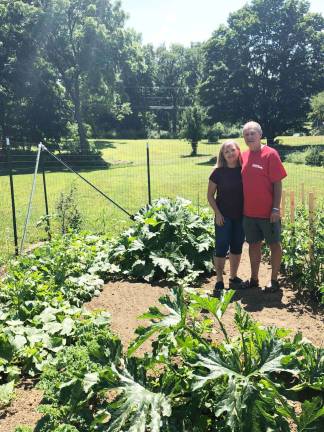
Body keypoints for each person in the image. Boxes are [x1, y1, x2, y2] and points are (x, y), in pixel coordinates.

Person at [241, 121, 287, 292]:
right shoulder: (243, 156)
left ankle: (274, 281)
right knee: (253, 245)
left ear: (260, 135)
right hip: (249, 213)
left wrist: (275, 208)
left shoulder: (270, 154)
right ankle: (253, 279)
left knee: (274, 245)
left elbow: (277, 183)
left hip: (269, 214)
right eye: (246, 134)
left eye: (252, 133)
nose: (249, 137)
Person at [207, 140, 245, 295]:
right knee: (221, 248)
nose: (230, 153)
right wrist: (217, 213)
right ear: (222, 155)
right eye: (226, 151)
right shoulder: (217, 172)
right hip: (223, 217)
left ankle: (233, 277)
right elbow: (210, 196)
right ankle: (219, 281)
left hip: (241, 216)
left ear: (238, 151)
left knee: (237, 247)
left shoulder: (244, 170)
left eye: (232, 150)